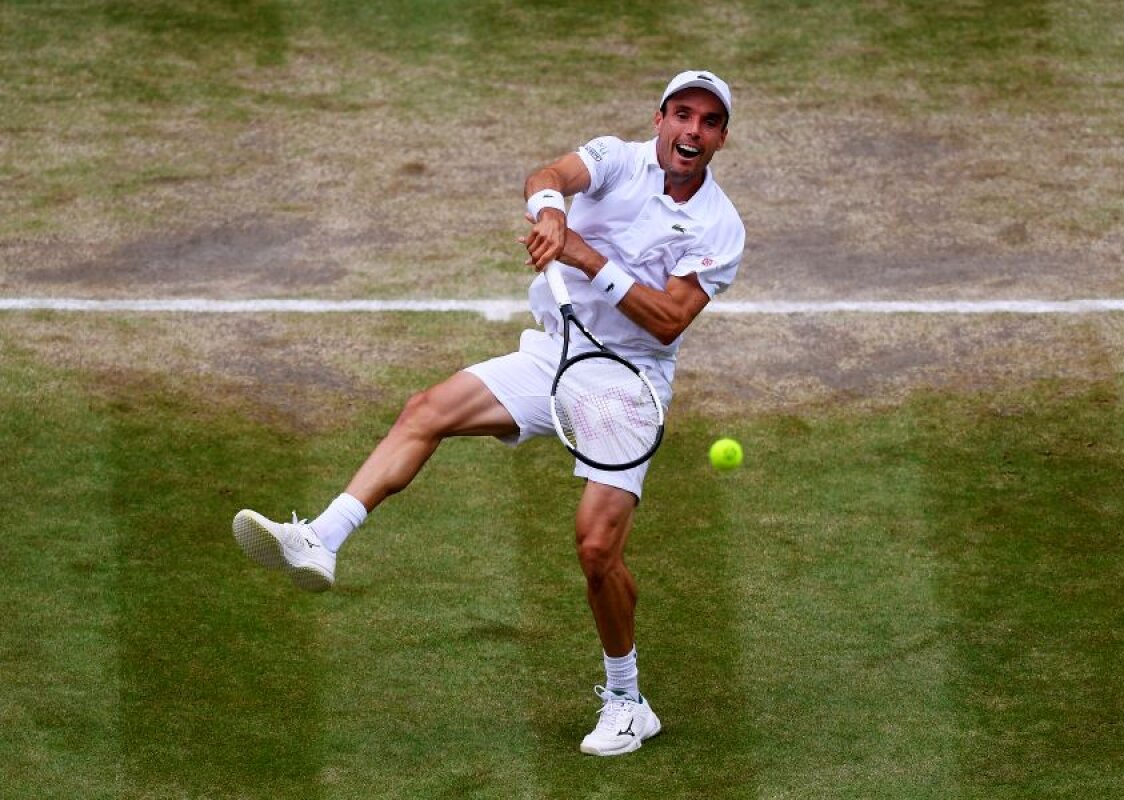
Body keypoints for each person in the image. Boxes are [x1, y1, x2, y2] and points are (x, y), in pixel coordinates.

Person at [232, 69, 745, 757]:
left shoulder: (720, 226)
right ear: (659, 119)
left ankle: (628, 702)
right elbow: (547, 174)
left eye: (708, 122)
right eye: (682, 114)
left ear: (720, 138)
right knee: (427, 410)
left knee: (597, 550)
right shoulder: (615, 158)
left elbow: (668, 319)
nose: (692, 130)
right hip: (556, 351)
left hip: (628, 383)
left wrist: (583, 254)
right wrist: (551, 211)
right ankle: (320, 537)